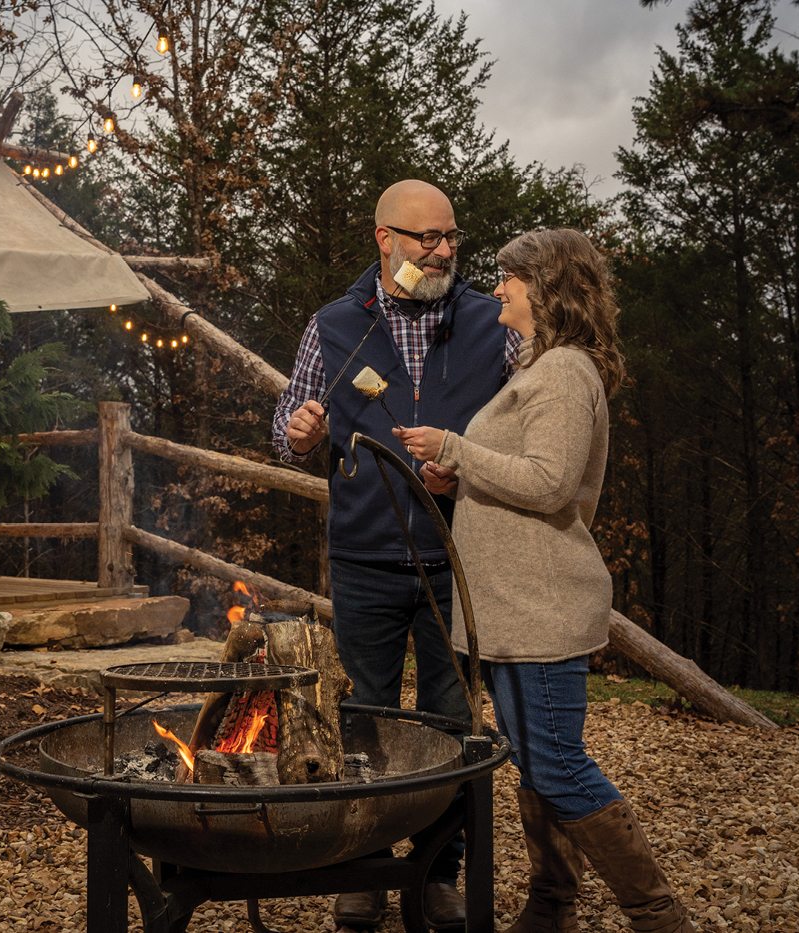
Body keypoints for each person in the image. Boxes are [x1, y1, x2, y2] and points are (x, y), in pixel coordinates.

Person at [395, 228, 696, 933]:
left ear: (546, 287)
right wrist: (457, 472)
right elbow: (522, 472)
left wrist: (455, 447)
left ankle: (659, 917)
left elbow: (550, 482)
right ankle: (550, 905)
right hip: (513, 609)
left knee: (558, 765)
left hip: (539, 605)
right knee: (537, 766)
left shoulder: (561, 371)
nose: (498, 288)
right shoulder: (541, 367)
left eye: (509, 278)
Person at [272, 178, 514, 932]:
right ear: (384, 240)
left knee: (448, 722)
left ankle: (435, 873)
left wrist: (468, 463)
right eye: (424, 238)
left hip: (460, 555)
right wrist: (301, 433)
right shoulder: (336, 324)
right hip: (365, 554)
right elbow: (287, 422)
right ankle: (362, 872)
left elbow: (527, 430)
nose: (442, 251)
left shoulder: (490, 321)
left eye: (449, 237)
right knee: (362, 716)